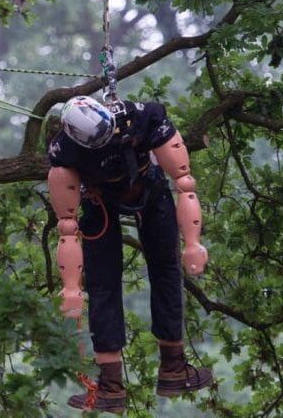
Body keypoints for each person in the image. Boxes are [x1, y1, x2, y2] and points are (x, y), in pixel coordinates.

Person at [47, 95, 212, 414]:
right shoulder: (63, 150)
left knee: (165, 268)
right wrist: (70, 287)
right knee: (102, 284)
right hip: (99, 201)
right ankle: (110, 388)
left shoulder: (142, 116)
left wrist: (192, 242)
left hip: (149, 190)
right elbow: (67, 225)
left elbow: (184, 183)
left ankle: (174, 369)